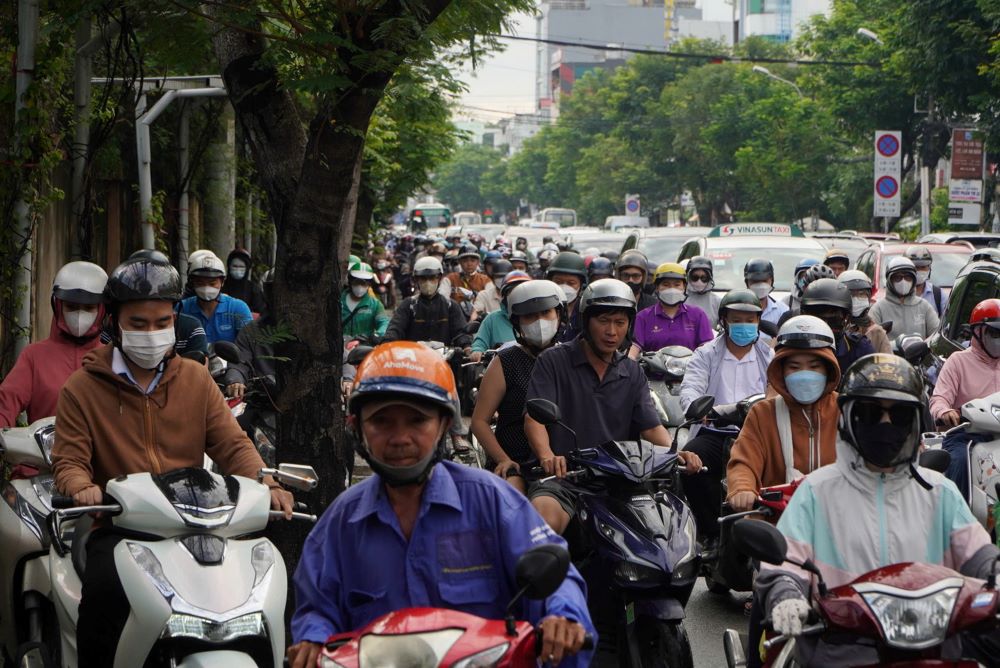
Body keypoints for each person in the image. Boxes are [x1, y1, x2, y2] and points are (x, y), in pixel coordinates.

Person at [288, 341, 595, 668]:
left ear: (444, 426)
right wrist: (312, 639)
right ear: (357, 429)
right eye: (382, 422)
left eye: (417, 421)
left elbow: (558, 581)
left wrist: (563, 619)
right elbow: (316, 609)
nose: (400, 438)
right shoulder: (341, 522)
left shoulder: (492, 501)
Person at [50, 255, 293, 667]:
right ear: (115, 323)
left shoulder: (196, 380)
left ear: (174, 321)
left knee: (273, 586)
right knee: (102, 599)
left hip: (201, 524)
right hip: (121, 530)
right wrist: (80, 486)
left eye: (162, 322)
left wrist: (266, 482)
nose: (152, 333)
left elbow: (233, 446)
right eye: (139, 323)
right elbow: (69, 460)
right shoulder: (82, 388)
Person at [754, 354, 1000, 667]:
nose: (885, 425)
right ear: (848, 419)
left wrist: (995, 573)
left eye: (898, 416)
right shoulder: (816, 492)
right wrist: (785, 594)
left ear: (914, 423)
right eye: (870, 414)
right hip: (843, 651)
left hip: (935, 651)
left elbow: (979, 555)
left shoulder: (940, 491)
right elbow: (786, 564)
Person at [524, 279, 702, 533]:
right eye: (604, 321)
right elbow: (534, 419)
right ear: (586, 321)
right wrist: (547, 457)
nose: (612, 331)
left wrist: (675, 453)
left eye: (620, 323)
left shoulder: (632, 371)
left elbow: (650, 427)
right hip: (565, 479)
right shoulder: (552, 361)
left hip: (622, 480)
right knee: (543, 526)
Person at [679, 290, 774, 547]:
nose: (745, 325)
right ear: (724, 320)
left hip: (756, 435)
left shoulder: (769, 357)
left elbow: (777, 396)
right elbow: (690, 389)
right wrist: (697, 410)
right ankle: (710, 533)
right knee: (689, 464)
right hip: (714, 432)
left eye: (751, 319)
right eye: (737, 319)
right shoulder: (705, 353)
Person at [726, 316, 841, 511]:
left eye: (814, 367)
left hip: (837, 520)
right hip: (775, 522)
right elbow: (744, 461)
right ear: (781, 372)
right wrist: (742, 488)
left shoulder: (847, 410)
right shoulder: (763, 414)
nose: (805, 374)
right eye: (794, 367)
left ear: (828, 370)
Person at [471, 280, 564, 493]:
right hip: (516, 461)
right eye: (530, 316)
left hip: (563, 463)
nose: (539, 322)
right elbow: (479, 422)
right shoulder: (505, 361)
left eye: (546, 313)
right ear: (517, 322)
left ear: (559, 315)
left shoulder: (568, 357)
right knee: (513, 504)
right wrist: (503, 460)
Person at [0, 261, 107, 427]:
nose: (79, 314)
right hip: (44, 452)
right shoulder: (34, 356)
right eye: (71, 306)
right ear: (57, 305)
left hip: (100, 453)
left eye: (88, 307)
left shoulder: (114, 359)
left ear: (101, 310)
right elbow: (7, 401)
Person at [930, 299, 1000, 499]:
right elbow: (939, 399)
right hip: (967, 434)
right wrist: (945, 412)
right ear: (977, 332)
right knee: (958, 461)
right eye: (994, 333)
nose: (999, 339)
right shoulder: (958, 361)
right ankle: (958, 515)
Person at [630, 262, 714, 357]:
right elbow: (635, 347)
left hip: (690, 370)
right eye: (666, 285)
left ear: (684, 287)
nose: (671, 289)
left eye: (677, 285)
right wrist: (630, 361)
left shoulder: (698, 315)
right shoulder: (643, 317)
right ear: (657, 288)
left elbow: (707, 348)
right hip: (652, 371)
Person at [383, 256, 468, 344]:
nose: (428, 282)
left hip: (443, 356)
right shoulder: (409, 304)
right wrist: (388, 341)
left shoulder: (450, 305)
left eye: (432, 278)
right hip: (413, 355)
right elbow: (396, 328)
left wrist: (466, 346)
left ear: (439, 278)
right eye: (423, 278)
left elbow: (461, 332)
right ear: (416, 280)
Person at [799, 278, 875, 373]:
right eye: (818, 318)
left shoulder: (859, 348)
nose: (824, 325)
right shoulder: (792, 346)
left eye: (833, 319)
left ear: (846, 319)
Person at [178, 250, 253, 344]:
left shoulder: (238, 308)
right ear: (192, 282)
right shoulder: (182, 308)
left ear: (222, 282)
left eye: (212, 283)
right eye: (200, 283)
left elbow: (249, 346)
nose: (206, 287)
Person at [869, 256, 939, 339]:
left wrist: (922, 346)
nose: (903, 281)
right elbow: (872, 341)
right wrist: (895, 345)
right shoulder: (878, 309)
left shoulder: (924, 306)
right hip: (887, 352)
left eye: (908, 277)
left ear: (913, 280)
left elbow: (936, 336)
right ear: (889, 280)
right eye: (898, 278)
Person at [469, 271, 532, 361]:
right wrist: (477, 351)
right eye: (513, 293)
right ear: (505, 298)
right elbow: (480, 342)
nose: (518, 297)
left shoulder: (537, 317)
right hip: (499, 370)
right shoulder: (492, 319)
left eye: (522, 293)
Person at [837, 270, 891, 354]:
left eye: (861, 294)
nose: (856, 299)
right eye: (851, 295)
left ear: (869, 297)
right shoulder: (836, 329)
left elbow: (888, 363)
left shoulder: (876, 332)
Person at [546, 252, 588, 343]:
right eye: (558, 281)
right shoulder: (542, 309)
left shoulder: (586, 312)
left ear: (581, 285)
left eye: (571, 283)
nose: (564, 287)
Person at [744, 258, 788, 327]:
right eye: (755, 281)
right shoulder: (737, 310)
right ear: (747, 282)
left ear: (771, 281)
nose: (760, 286)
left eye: (764, 281)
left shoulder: (782, 310)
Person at [907, 245, 948, 318]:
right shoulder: (898, 294)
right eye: (916, 267)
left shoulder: (938, 295)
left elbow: (946, 321)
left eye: (923, 267)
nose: (919, 271)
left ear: (929, 268)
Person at [221, 248, 267, 314]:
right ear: (229, 266)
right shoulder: (221, 286)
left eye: (241, 267)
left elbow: (261, 312)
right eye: (235, 266)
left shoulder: (253, 289)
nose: (238, 269)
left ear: (247, 269)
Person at [685, 255, 722, 328]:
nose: (699, 281)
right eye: (695, 277)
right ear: (688, 277)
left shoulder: (717, 302)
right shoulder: (680, 299)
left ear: (709, 278)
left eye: (704, 278)